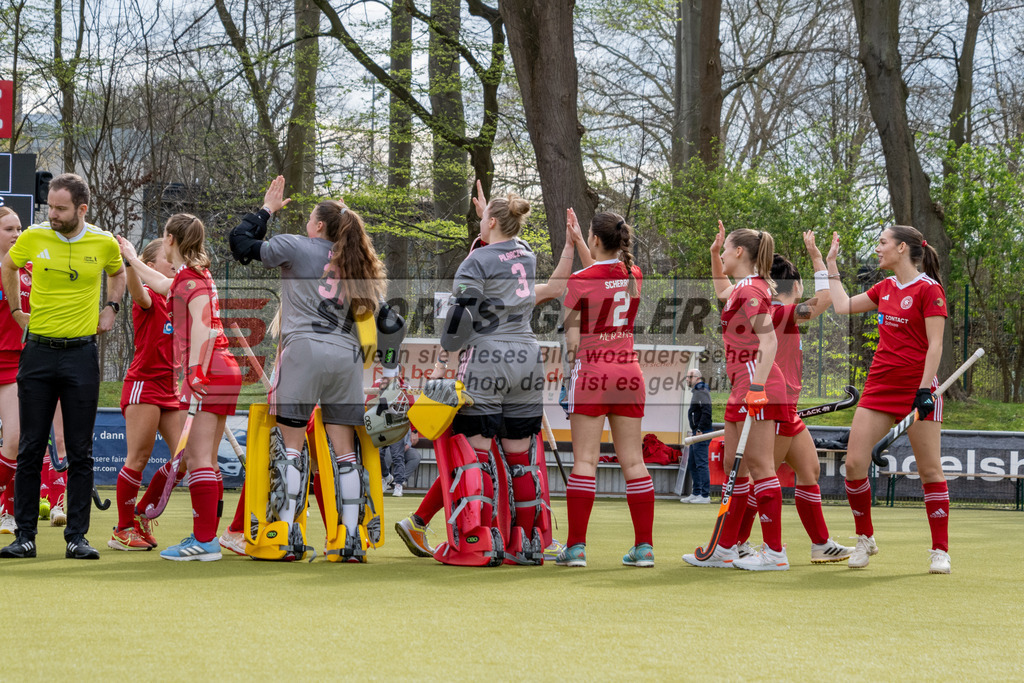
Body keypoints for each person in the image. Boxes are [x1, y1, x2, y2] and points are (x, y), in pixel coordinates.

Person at [394, 181, 585, 564]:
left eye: (482, 219)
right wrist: (566, 248)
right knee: (521, 456)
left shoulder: (475, 262)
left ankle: (479, 542)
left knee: (474, 453)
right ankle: (527, 544)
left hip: (488, 355)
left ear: (493, 221)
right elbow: (523, 266)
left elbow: (460, 316)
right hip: (528, 357)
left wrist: (444, 363)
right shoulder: (526, 254)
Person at [228, 176, 398, 561]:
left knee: (290, 446)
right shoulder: (356, 263)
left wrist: (266, 210)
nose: (306, 222)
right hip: (346, 357)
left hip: (304, 351)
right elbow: (387, 324)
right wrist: (388, 371)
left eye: (310, 218)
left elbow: (240, 243)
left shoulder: (296, 245)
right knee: (345, 454)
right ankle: (350, 540)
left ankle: (286, 533)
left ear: (319, 225)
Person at [0, 173, 125, 560]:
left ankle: (77, 537)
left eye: (60, 208)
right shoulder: (34, 237)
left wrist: (112, 307)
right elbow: (8, 266)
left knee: (80, 450)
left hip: (81, 355)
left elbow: (118, 274)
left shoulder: (103, 242)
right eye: (49, 207)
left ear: (81, 209)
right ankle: (24, 537)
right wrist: (18, 310)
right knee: (31, 448)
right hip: (36, 353)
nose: (50, 214)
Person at [820, 225, 950, 573]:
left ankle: (940, 550)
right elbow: (843, 306)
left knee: (930, 470)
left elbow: (935, 345)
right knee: (853, 463)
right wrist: (831, 264)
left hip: (918, 389)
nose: (877, 249)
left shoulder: (929, 290)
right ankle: (865, 539)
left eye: (882, 243)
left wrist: (924, 390)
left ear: (902, 248)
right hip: (879, 387)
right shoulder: (886, 287)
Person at [118, 213, 242, 561]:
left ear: (170, 239)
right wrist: (130, 257)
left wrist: (197, 372)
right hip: (223, 368)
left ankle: (204, 542)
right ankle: (206, 536)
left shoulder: (190, 277)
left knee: (197, 457)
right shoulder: (196, 274)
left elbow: (203, 326)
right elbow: (159, 283)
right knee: (204, 459)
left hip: (210, 368)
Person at [731, 236, 854, 564]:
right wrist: (817, 257)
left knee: (809, 469)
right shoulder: (781, 312)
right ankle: (738, 542)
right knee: (764, 475)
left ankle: (820, 544)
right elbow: (826, 299)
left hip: (787, 408)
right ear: (796, 284)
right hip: (776, 406)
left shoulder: (775, 311)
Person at [683, 221, 792, 571]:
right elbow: (721, 291)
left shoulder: (751, 290)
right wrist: (714, 254)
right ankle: (725, 548)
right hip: (742, 385)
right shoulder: (745, 287)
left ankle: (775, 554)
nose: (724, 254)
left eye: (727, 249)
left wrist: (758, 389)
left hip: (755, 385)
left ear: (740, 252)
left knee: (760, 467)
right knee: (735, 469)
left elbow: (769, 341)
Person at [555, 210, 654, 569]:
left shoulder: (580, 280)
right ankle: (644, 548)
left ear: (596, 239)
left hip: (593, 373)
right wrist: (583, 241)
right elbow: (605, 276)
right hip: (629, 374)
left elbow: (572, 339)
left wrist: (571, 376)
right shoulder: (633, 274)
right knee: (633, 461)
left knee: (585, 461)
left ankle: (576, 549)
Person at [108, 238, 181, 551]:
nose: (175, 266)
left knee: (185, 459)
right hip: (144, 385)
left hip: (171, 387)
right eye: (169, 261)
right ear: (150, 266)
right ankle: (122, 530)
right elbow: (136, 291)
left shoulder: (177, 297)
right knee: (138, 457)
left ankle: (140, 513)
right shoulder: (149, 294)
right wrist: (129, 262)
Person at [0, 206, 30, 535]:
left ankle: (6, 512)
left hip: (13, 365)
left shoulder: (30, 269)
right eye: (9, 229)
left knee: (14, 440)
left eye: (19, 228)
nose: (16, 234)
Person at [680, 369, 712, 504]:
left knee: (701, 463)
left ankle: (705, 495)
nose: (687, 379)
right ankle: (696, 492)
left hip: (702, 433)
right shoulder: (697, 391)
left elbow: (707, 410)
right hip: (696, 433)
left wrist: (699, 428)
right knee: (693, 463)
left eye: (689, 377)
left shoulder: (701, 390)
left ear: (697, 377)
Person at [380, 428, 420, 497]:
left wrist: (414, 431)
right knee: (379, 454)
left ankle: (399, 483)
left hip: (397, 429)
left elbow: (410, 440)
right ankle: (386, 476)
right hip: (383, 430)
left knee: (398, 456)